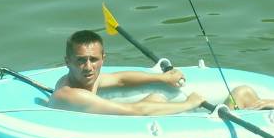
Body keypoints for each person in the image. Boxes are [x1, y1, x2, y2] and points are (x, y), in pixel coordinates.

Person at [49, 30, 206, 115]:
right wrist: (189, 104)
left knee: (156, 98)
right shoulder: (72, 94)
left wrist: (163, 78)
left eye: (94, 59)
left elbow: (120, 79)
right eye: (81, 60)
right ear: (68, 62)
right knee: (156, 104)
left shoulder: (83, 77)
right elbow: (136, 111)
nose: (88, 67)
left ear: (103, 59)